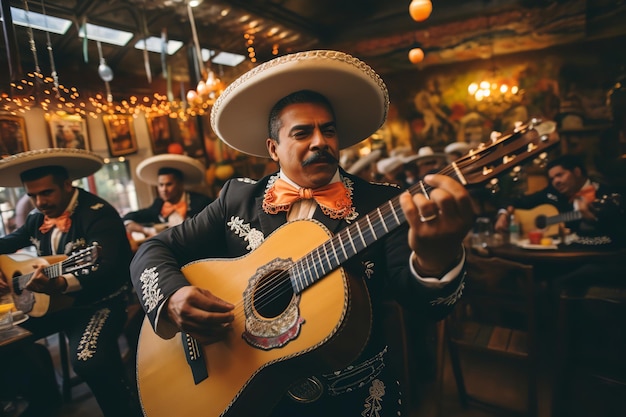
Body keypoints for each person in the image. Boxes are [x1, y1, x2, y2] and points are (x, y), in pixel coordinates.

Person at [130, 50, 474, 416]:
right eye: (302, 132)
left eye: (328, 130)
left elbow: (425, 308)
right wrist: (172, 298)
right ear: (273, 148)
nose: (319, 141)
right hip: (253, 395)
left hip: (355, 399)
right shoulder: (237, 198)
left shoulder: (384, 203)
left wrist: (437, 260)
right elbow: (152, 249)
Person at [0, 148, 142, 417]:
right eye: (32, 195)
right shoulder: (36, 218)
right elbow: (9, 242)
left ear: (67, 185)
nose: (39, 202)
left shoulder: (99, 214)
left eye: (46, 192)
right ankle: (43, 403)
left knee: (90, 361)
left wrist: (63, 284)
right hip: (50, 304)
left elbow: (111, 268)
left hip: (100, 303)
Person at [122, 154, 212, 238]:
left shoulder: (201, 202)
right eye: (161, 185)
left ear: (180, 184)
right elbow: (130, 217)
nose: (164, 189)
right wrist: (146, 230)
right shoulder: (159, 204)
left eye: (169, 184)